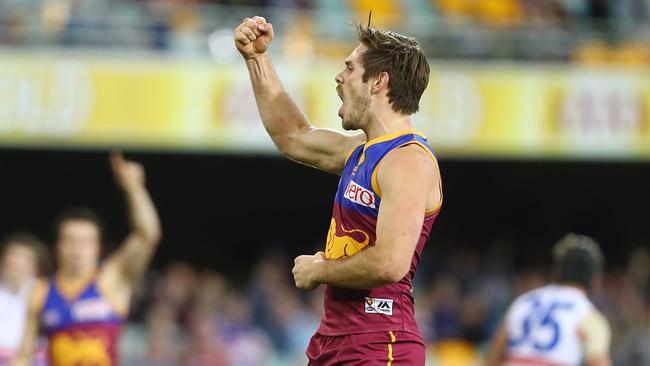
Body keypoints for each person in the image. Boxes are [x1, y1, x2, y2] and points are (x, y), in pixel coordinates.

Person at [234, 15, 442, 365]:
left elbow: (390, 263)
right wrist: (257, 59)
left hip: (380, 343)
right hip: (336, 339)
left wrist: (320, 270)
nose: (339, 77)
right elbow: (293, 136)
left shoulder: (408, 161)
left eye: (349, 68)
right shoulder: (360, 152)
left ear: (378, 82)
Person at [12, 152, 162, 366]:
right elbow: (24, 354)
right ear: (58, 246)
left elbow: (148, 236)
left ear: (97, 248)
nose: (77, 249)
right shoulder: (40, 293)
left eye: (85, 242)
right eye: (70, 241)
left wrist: (134, 189)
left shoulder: (111, 280)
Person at [486, 234, 612, 366]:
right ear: (596, 278)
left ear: (556, 270)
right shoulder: (588, 316)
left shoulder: (524, 302)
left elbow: (493, 357)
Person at [0, 233, 47, 365]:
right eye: (13, 257)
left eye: (24, 258)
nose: (17, 263)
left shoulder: (44, 290)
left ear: (35, 266)